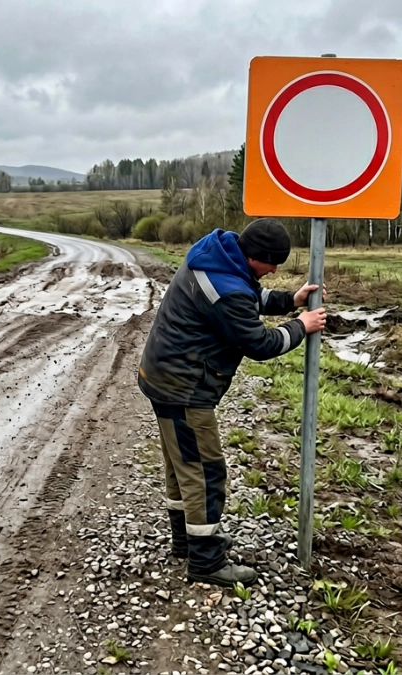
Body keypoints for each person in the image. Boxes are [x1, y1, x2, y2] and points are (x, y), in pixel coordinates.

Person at [137, 217, 327, 587]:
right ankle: (205, 561)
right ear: (256, 255)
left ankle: (186, 543)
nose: (273, 270)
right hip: (184, 387)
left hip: (162, 377)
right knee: (206, 473)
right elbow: (260, 343)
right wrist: (300, 326)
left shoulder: (216, 258)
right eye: (273, 263)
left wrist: (290, 300)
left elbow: (249, 295)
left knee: (181, 468)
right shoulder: (226, 287)